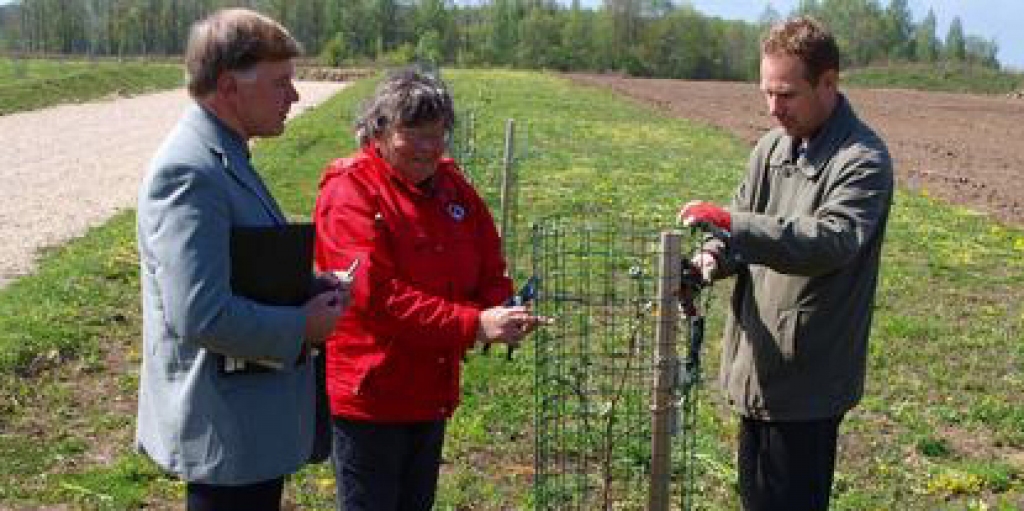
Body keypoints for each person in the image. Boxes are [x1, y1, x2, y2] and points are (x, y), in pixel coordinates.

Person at [677, 16, 893, 511]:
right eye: (766, 93)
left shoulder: (862, 160)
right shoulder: (771, 148)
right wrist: (710, 257)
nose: (774, 109)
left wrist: (732, 225)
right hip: (758, 363)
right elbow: (740, 233)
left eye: (787, 95)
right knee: (757, 498)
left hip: (808, 377)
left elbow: (831, 241)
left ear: (829, 83)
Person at [135, 9, 344, 511]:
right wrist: (303, 325)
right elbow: (200, 314)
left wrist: (306, 287)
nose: (293, 96)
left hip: (246, 427)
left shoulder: (223, 154)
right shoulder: (191, 172)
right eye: (281, 83)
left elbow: (238, 269)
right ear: (229, 87)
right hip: (226, 432)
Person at [313, 68, 543, 511]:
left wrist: (503, 306)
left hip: (430, 390)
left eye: (438, 134)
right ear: (379, 131)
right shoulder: (351, 192)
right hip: (373, 395)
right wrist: (474, 323)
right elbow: (375, 297)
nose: (428, 147)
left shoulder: (452, 186)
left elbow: (487, 259)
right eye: (413, 133)